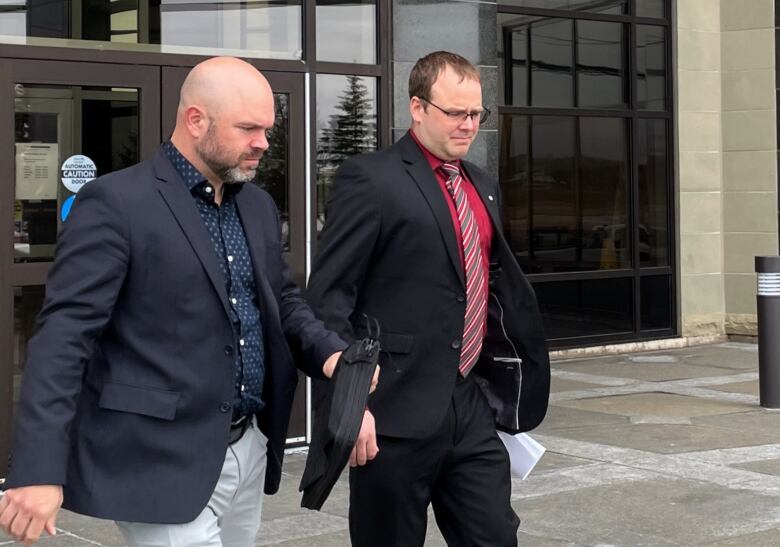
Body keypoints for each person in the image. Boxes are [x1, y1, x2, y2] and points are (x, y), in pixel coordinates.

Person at [0, 56, 350, 546]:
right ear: (195, 120)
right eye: (249, 128)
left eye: (267, 130)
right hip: (157, 456)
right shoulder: (116, 203)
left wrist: (331, 353)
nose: (263, 144)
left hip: (248, 444)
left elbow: (282, 302)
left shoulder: (257, 206)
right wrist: (36, 468)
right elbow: (63, 339)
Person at [306, 51, 551, 546]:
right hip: (391, 413)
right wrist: (352, 406)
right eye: (456, 113)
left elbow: (489, 287)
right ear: (417, 107)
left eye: (477, 114)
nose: (469, 125)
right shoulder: (371, 180)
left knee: (495, 537)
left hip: (469, 403)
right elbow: (329, 298)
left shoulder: (482, 186)